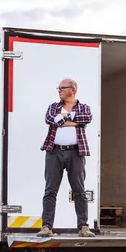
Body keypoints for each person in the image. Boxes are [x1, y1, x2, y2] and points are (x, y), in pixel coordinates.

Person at [36, 78, 95, 238]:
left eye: (62, 88)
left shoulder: (84, 107)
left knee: (79, 190)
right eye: (59, 88)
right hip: (54, 152)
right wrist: (73, 120)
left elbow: (86, 119)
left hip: (76, 153)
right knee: (50, 190)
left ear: (72, 90)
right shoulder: (53, 107)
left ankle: (83, 227)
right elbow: (49, 120)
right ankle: (47, 227)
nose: (59, 90)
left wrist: (62, 118)